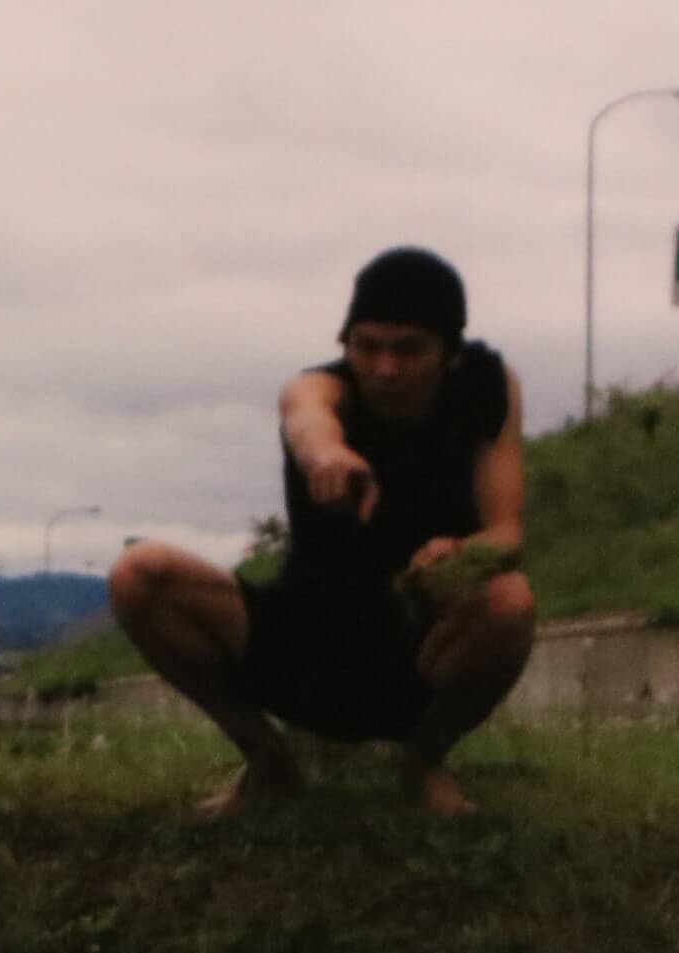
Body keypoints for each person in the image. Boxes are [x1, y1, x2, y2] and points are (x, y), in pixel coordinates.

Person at [110, 247, 536, 816]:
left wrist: (462, 552)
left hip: (416, 651)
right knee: (138, 572)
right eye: (367, 346)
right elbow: (307, 418)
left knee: (510, 600)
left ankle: (424, 762)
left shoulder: (488, 389)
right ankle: (267, 760)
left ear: (448, 354)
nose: (384, 367)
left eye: (408, 349)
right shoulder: (317, 388)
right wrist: (327, 455)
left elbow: (507, 533)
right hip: (302, 641)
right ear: (346, 343)